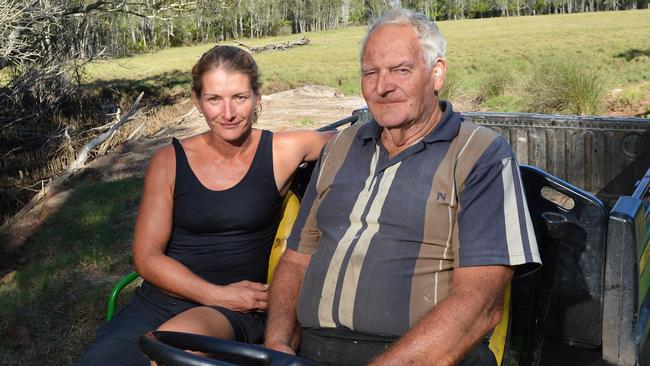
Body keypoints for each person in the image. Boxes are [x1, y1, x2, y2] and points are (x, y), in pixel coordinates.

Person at [264, 8, 541, 366]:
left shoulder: (480, 155)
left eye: (401, 70)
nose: (383, 86)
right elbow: (297, 261)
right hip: (311, 352)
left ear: (437, 73)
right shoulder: (339, 148)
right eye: (371, 73)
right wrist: (277, 342)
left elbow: (479, 307)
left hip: (427, 356)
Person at [77, 45, 333, 366]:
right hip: (161, 301)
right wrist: (216, 292)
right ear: (198, 101)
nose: (228, 113)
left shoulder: (282, 150)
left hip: (231, 311)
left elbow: (356, 138)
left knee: (172, 353)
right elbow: (146, 257)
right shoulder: (169, 161)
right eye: (214, 99)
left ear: (258, 96)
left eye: (240, 97)